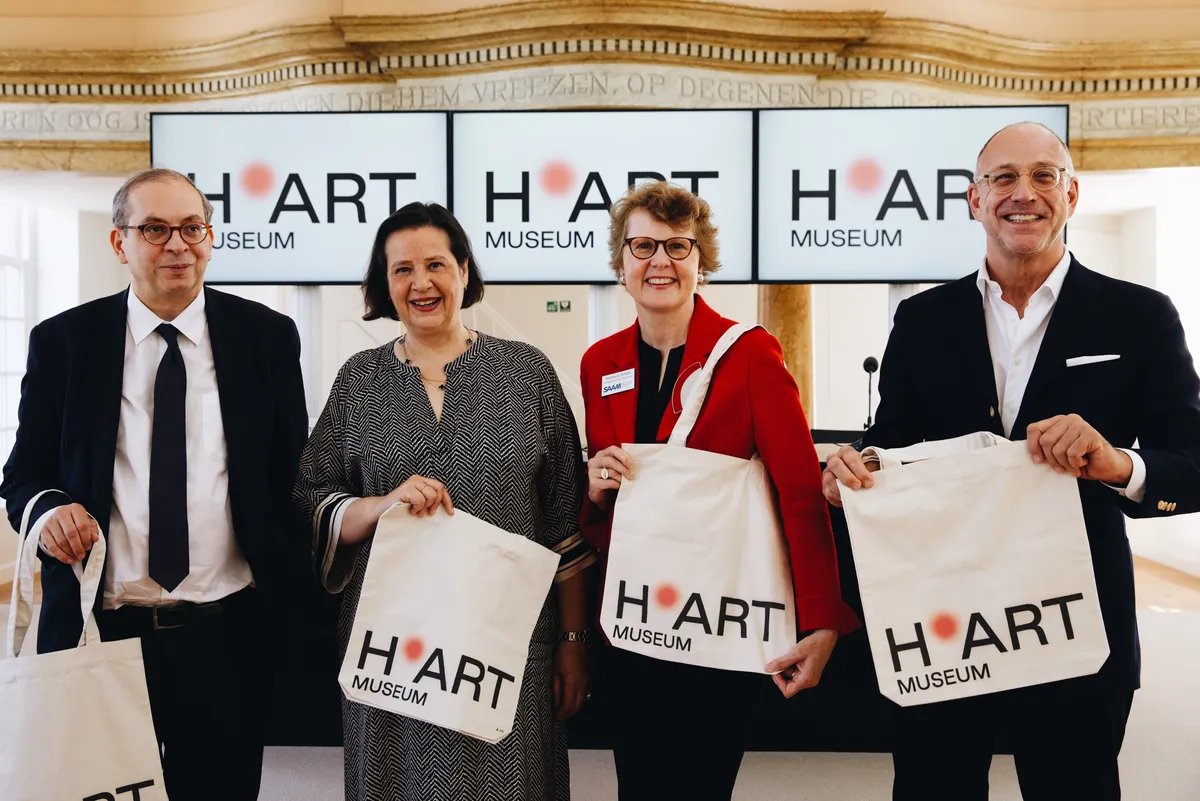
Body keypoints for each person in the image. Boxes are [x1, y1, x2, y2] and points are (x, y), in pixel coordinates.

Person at [824, 121, 1200, 801]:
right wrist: (861, 465)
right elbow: (896, 439)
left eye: (1042, 176)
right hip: (941, 619)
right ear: (975, 199)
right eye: (1003, 177)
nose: (1022, 192)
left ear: (1071, 194)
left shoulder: (1140, 316)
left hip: (1077, 626)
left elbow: (1193, 461)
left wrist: (1118, 463)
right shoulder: (922, 318)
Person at [0, 168, 309, 800]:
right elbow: (22, 476)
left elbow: (291, 477)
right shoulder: (63, 342)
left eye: (193, 228)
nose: (178, 245)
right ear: (120, 242)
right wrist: (50, 510)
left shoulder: (266, 338)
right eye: (155, 229)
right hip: (101, 630)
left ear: (210, 237)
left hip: (225, 633)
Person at [293, 201, 594, 801]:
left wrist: (573, 643)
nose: (420, 283)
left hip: (508, 647)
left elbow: (566, 521)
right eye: (401, 269)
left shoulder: (527, 374)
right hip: (392, 651)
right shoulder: (359, 381)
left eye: (435, 264)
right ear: (384, 284)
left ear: (463, 271)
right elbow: (312, 499)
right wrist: (380, 505)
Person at [579, 180, 859, 801]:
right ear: (621, 262)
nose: (660, 261)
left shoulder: (750, 355)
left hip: (717, 620)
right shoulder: (599, 363)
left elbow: (798, 494)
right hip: (633, 619)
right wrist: (596, 489)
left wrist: (821, 620)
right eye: (643, 246)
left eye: (677, 246)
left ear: (700, 261)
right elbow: (609, 507)